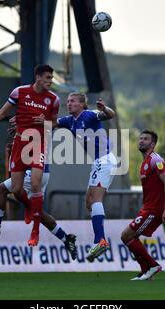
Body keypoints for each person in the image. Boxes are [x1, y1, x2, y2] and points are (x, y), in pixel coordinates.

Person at [0, 64, 59, 246]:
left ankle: (35, 232)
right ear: (38, 77)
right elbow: (1, 113)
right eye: (48, 77)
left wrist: (46, 121)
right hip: (19, 144)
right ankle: (26, 208)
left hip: (38, 144)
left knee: (35, 184)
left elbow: (55, 123)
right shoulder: (19, 92)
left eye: (51, 77)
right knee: (16, 190)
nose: (51, 81)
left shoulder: (53, 100)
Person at [0, 142, 78, 260]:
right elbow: (12, 171)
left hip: (33, 171)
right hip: (41, 171)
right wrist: (9, 153)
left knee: (2, 189)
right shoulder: (28, 134)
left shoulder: (29, 132)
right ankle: (66, 238)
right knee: (38, 213)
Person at [55, 92, 117, 262]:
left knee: (96, 199)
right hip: (97, 162)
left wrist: (105, 109)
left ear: (82, 104)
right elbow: (51, 123)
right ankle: (100, 238)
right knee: (89, 202)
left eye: (73, 101)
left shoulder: (89, 115)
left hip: (104, 160)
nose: (69, 104)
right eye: (67, 101)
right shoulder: (69, 120)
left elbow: (110, 114)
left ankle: (100, 241)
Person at [120, 130, 165, 281]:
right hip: (148, 208)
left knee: (126, 235)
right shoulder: (145, 162)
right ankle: (146, 271)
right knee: (129, 237)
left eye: (145, 139)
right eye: (140, 138)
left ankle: (152, 266)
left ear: (153, 144)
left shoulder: (156, 160)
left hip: (155, 210)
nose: (141, 141)